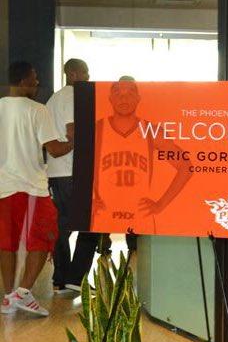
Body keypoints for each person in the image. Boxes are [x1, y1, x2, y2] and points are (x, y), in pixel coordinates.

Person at [0, 61, 74, 316]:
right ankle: (22, 293)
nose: (37, 82)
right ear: (23, 81)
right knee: (44, 238)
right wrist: (74, 140)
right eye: (34, 78)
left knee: (7, 243)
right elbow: (55, 149)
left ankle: (8, 297)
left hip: (4, 186)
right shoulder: (37, 110)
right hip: (32, 186)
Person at [91, 78, 192, 235]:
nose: (124, 98)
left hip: (141, 216)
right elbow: (77, 165)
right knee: (96, 246)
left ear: (138, 98)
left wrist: (161, 204)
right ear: (110, 98)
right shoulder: (96, 129)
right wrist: (86, 200)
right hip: (103, 214)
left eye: (130, 93)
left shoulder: (151, 131)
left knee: (140, 249)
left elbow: (186, 167)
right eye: (118, 93)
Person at [47, 58, 101, 292]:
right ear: (72, 73)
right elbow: (73, 132)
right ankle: (76, 278)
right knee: (92, 224)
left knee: (62, 227)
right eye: (85, 72)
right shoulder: (71, 95)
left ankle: (60, 278)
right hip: (73, 171)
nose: (88, 76)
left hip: (55, 173)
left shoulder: (53, 99)